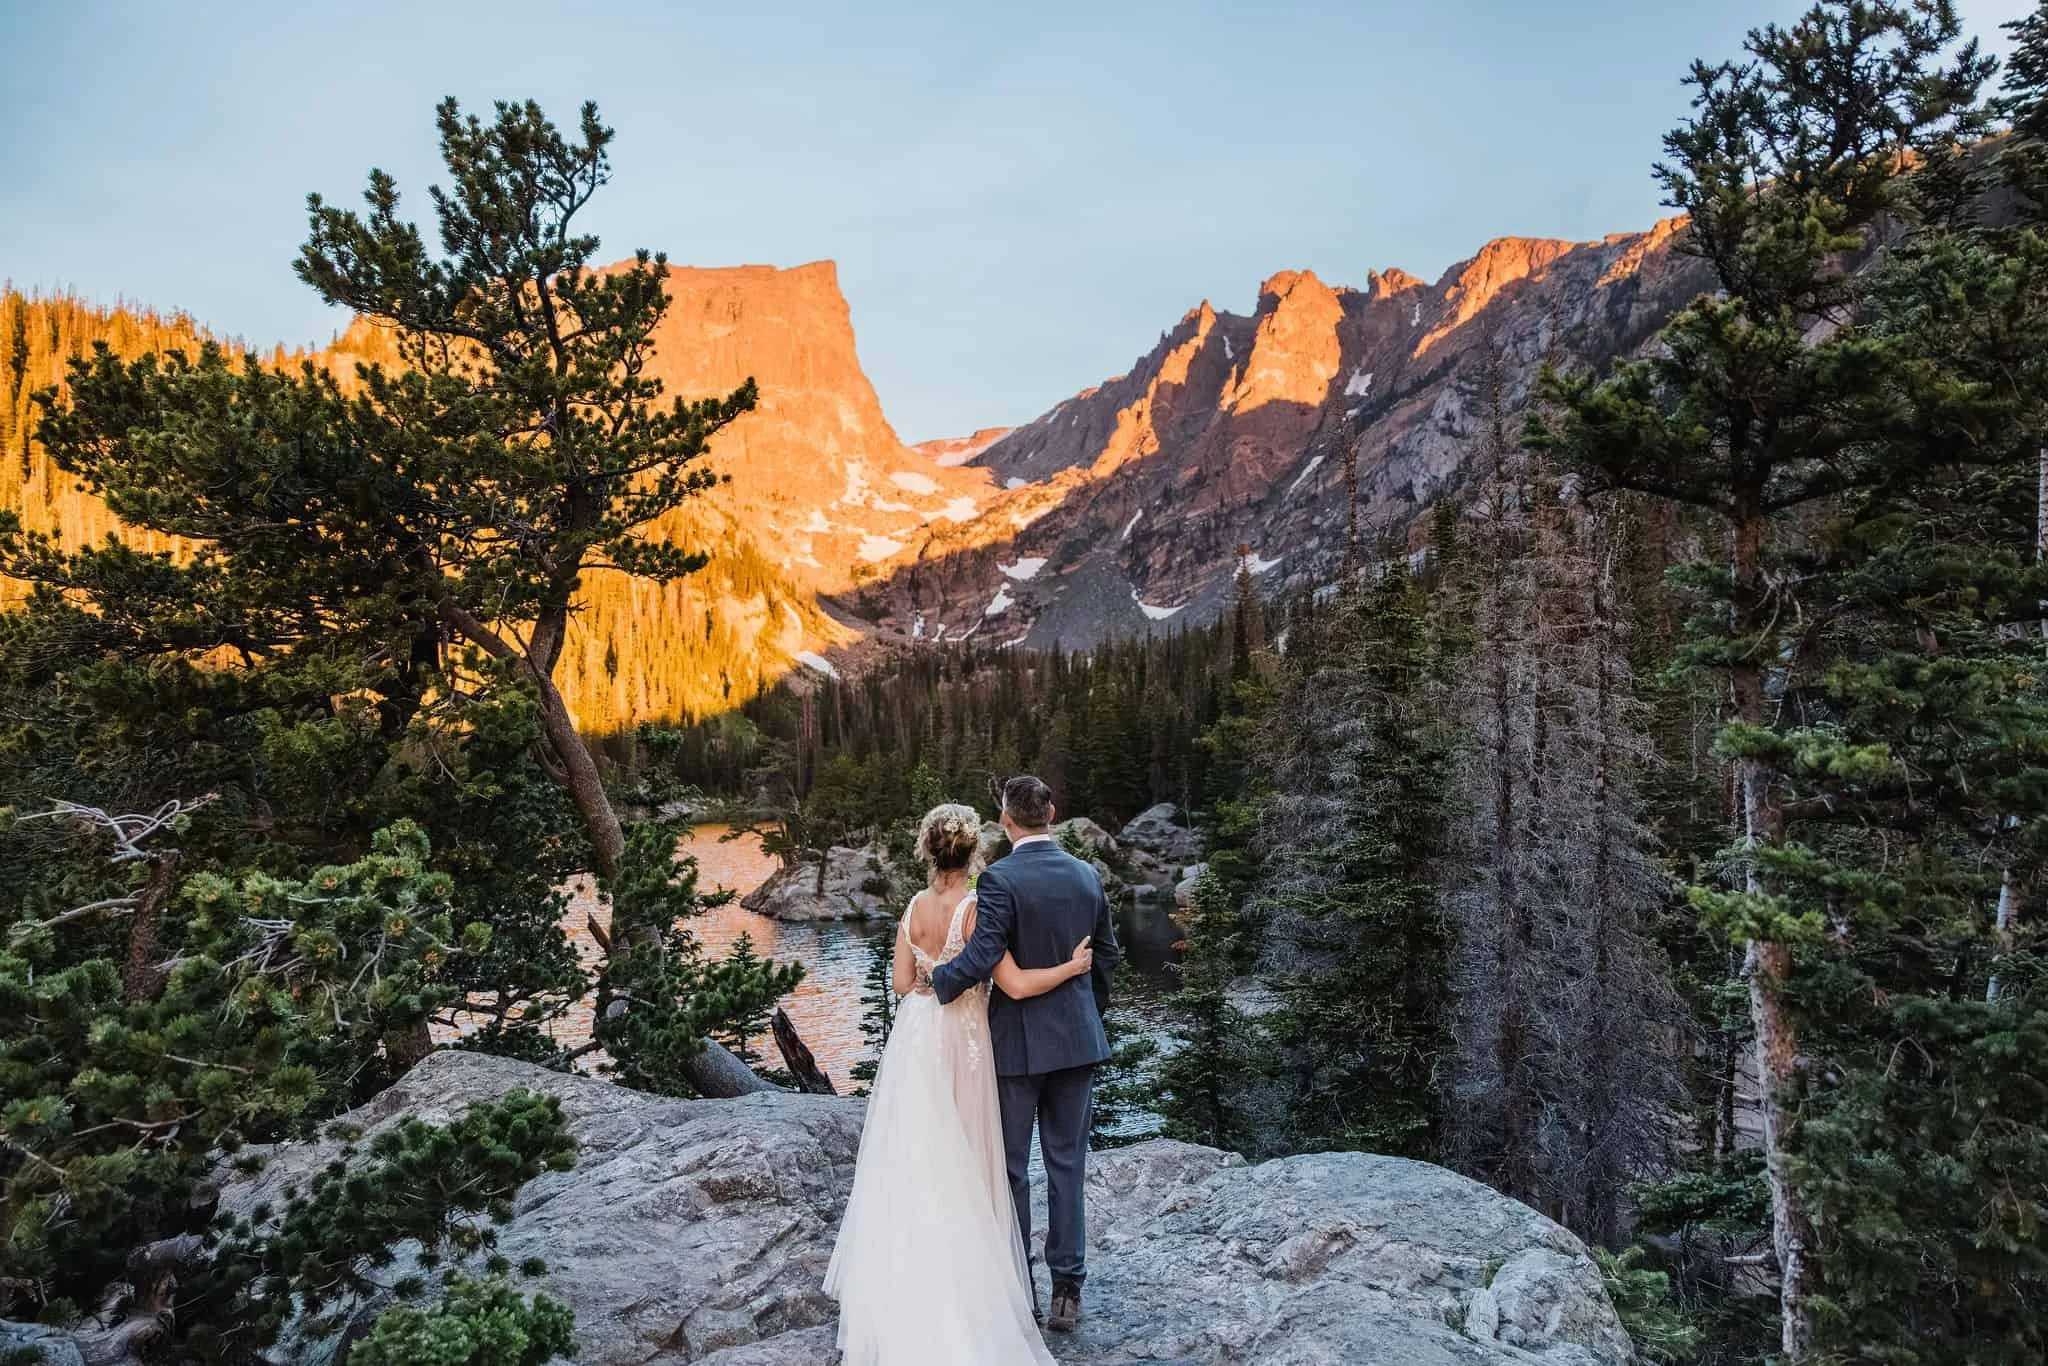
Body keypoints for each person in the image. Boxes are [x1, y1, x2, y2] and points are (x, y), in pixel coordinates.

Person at [824, 801, 1095, 1365]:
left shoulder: (913, 907)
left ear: (927, 850)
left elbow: (902, 984)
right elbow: (1014, 984)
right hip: (966, 1039)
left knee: (919, 1153)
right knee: (974, 1158)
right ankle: (992, 1277)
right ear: (973, 852)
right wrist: (1072, 969)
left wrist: (928, 977)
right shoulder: (977, 906)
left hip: (917, 1039)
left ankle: (912, 1268)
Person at [930, 775, 1120, 1334]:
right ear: (1052, 813)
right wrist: (1089, 1013)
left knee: (1012, 1170)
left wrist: (936, 981)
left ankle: (1021, 1291)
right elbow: (1107, 954)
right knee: (1067, 1166)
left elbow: (986, 952)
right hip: (1076, 1043)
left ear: (1007, 820)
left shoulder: (1000, 879)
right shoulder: (1087, 874)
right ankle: (1068, 1291)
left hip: (1014, 1048)